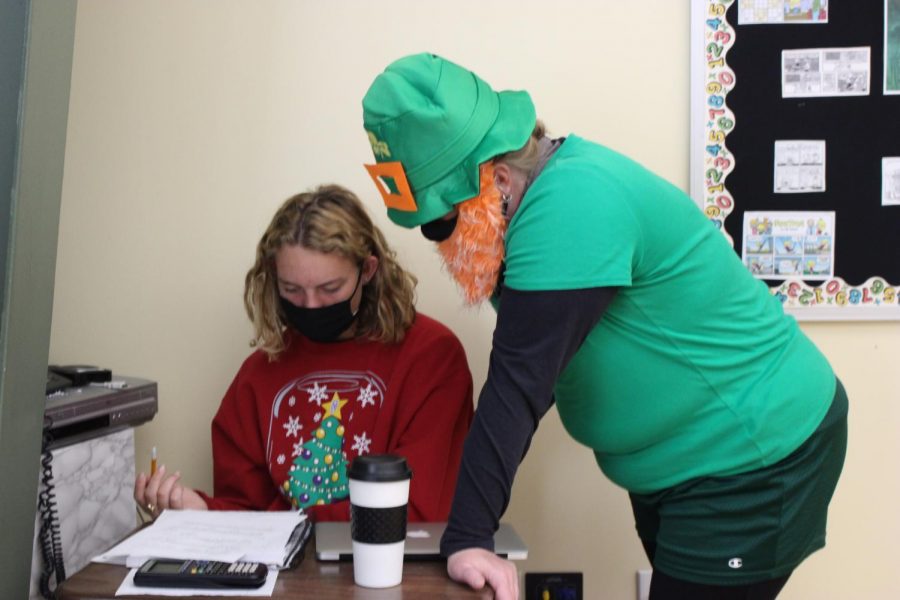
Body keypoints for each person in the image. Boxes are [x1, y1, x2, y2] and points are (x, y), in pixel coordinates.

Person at [360, 53, 847, 600]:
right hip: (676, 468)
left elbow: (519, 384)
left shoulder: (570, 202)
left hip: (752, 452)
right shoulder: (536, 207)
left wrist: (471, 536)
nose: (439, 238)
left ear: (497, 181)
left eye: (440, 220)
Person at [134, 184, 474, 523]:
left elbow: (419, 510)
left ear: (367, 271)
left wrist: (280, 527)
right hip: (285, 573)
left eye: (330, 288)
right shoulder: (259, 375)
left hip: (390, 568)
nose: (310, 306)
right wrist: (201, 511)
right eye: (291, 290)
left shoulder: (432, 358)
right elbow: (243, 514)